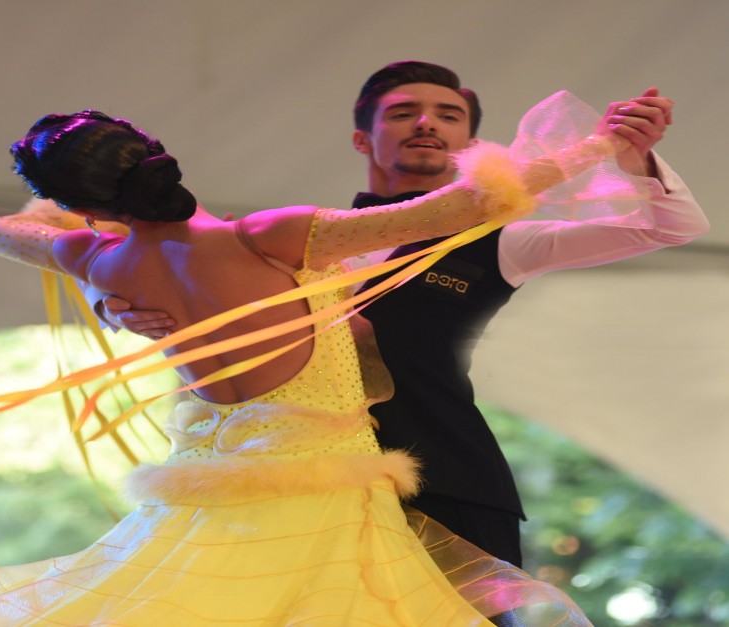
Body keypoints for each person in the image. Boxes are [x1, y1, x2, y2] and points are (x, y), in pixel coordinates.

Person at [0, 103, 631, 625]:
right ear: (159, 157)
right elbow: (461, 207)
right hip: (328, 500)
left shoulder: (100, 260)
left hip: (210, 502)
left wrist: (107, 292)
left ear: (91, 205)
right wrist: (601, 144)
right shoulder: (270, 237)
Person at [96, 61, 709, 567]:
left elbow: (671, 227)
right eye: (402, 112)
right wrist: (115, 309)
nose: (426, 123)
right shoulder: (285, 239)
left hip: (448, 478)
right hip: (304, 482)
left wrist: (633, 158)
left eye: (448, 115)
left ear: (471, 144)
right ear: (362, 139)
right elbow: (174, 282)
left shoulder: (500, 240)